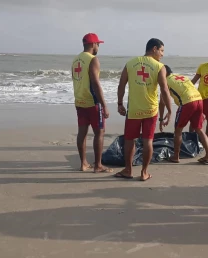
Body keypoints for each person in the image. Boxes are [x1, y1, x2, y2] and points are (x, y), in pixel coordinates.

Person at [115, 38, 173, 181]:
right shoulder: (159, 67)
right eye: (161, 50)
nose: (162, 54)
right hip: (151, 110)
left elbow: (121, 85)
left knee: (130, 140)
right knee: (148, 141)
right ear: (154, 49)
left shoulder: (130, 63)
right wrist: (170, 111)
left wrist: (120, 103)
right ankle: (144, 172)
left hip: (134, 109)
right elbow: (165, 90)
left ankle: (128, 170)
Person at [71, 33, 112, 173]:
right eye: (98, 44)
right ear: (93, 44)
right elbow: (95, 83)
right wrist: (104, 104)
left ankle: (83, 164)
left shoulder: (76, 59)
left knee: (82, 132)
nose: (98, 47)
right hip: (92, 102)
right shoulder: (93, 59)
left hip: (79, 101)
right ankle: (98, 165)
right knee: (99, 132)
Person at [160, 65, 208, 164]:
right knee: (199, 129)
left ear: (164, 73)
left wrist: (161, 119)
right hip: (198, 99)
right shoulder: (181, 77)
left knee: (178, 130)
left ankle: (176, 156)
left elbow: (162, 102)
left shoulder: (165, 81)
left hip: (187, 102)